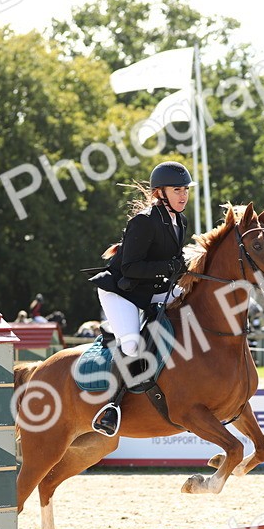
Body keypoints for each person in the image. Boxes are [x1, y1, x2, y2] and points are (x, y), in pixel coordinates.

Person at [87, 160, 192, 437]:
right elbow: (131, 268)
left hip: (151, 289)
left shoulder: (180, 221)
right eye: (177, 190)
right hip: (122, 291)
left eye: (185, 190)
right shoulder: (144, 221)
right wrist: (168, 267)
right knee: (133, 344)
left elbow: (172, 263)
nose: (183, 195)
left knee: (192, 306)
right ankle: (111, 406)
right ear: (160, 192)